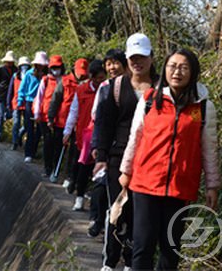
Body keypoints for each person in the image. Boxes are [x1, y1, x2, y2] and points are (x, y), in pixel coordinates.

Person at [119, 49, 220, 271]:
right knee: (142, 247)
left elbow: (209, 149)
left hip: (179, 188)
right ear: (164, 69)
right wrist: (126, 171)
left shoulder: (203, 107)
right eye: (172, 66)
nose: (177, 72)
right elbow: (134, 138)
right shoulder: (149, 101)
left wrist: (212, 184)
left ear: (193, 72)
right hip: (145, 184)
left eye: (184, 67)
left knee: (170, 251)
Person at [94, 33, 156, 271]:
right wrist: (101, 156)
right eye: (132, 58)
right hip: (118, 158)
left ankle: (131, 261)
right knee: (117, 208)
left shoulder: (161, 87)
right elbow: (104, 122)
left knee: (139, 213)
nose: (137, 62)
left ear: (151, 57)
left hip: (149, 160)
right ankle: (110, 262)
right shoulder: (116, 87)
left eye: (142, 57)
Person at [88, 48, 127, 238]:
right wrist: (98, 146)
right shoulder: (105, 88)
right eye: (108, 63)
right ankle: (97, 221)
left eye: (115, 62)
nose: (112, 67)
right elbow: (98, 118)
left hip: (125, 150)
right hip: (108, 148)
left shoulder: (134, 88)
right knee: (101, 187)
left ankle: (116, 233)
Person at [63, 59, 106, 209]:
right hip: (85, 135)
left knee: (98, 171)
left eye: (103, 78)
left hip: (102, 135)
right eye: (98, 78)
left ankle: (92, 200)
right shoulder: (81, 90)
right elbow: (73, 111)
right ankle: (79, 197)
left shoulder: (108, 89)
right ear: (92, 77)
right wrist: (68, 131)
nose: (101, 81)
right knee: (83, 167)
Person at [44, 55, 79, 183]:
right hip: (61, 121)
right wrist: (51, 117)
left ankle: (69, 175)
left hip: (77, 123)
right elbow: (55, 101)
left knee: (73, 152)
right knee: (57, 147)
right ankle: (53, 169)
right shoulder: (64, 82)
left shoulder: (85, 84)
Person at [19, 51, 47, 163]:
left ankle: (34, 151)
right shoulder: (29, 74)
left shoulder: (47, 76)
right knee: (29, 128)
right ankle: (28, 153)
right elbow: (22, 88)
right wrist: (20, 100)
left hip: (42, 104)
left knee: (40, 130)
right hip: (30, 102)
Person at [0, 51, 17, 142]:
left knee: (9, 114)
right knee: (0, 115)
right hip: (1, 95)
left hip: (11, 96)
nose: (10, 63)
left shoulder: (16, 70)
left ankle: (3, 131)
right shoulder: (1, 70)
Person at [10, 56, 31, 150]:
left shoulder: (31, 76)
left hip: (27, 103)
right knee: (16, 123)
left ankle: (19, 135)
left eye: (26, 65)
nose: (24, 67)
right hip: (16, 102)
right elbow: (11, 90)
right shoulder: (15, 76)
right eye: (23, 65)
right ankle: (14, 142)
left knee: (27, 125)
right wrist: (8, 103)